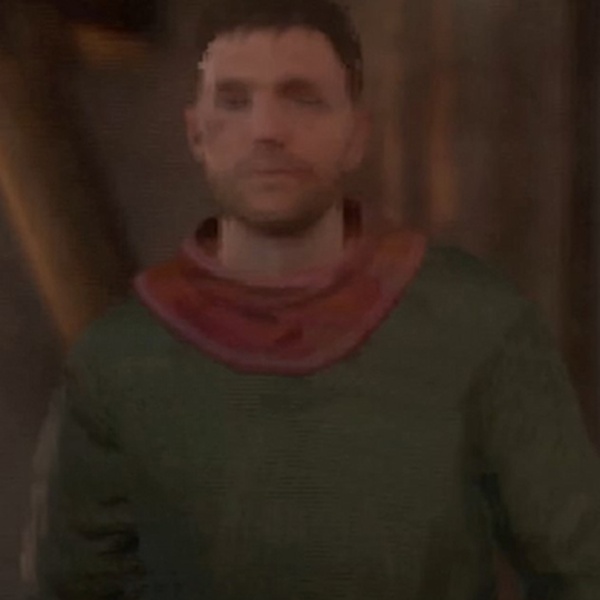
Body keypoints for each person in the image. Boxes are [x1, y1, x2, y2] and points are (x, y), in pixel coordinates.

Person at [22, 0, 600, 597]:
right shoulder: (120, 361)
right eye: (235, 101)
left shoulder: (478, 328)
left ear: (355, 134)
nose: (267, 130)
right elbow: (75, 584)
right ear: (197, 133)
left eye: (302, 99)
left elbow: (580, 567)